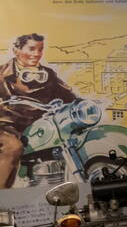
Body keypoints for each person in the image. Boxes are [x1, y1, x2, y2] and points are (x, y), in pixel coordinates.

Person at [0, 33, 77, 188]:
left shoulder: (48, 74)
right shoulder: (2, 74)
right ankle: (3, 196)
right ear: (16, 50)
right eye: (32, 49)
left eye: (40, 50)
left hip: (40, 127)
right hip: (7, 126)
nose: (37, 54)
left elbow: (70, 97)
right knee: (13, 147)